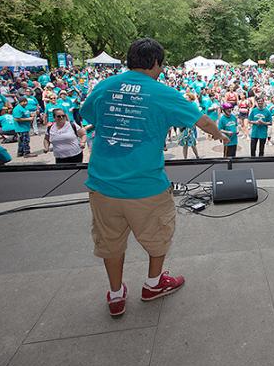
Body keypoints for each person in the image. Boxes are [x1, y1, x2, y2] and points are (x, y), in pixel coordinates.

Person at [80, 38, 228, 317]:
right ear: (156, 63)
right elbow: (203, 121)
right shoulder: (162, 92)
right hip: (145, 187)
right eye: (161, 64)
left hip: (102, 185)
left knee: (110, 242)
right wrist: (219, 134)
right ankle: (153, 284)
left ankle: (115, 295)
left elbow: (88, 114)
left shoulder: (104, 86)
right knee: (159, 235)